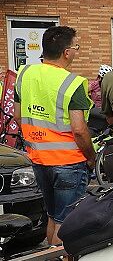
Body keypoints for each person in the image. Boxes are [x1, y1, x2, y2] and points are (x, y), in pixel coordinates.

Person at [13, 26, 95, 245]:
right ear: (66, 52)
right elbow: (78, 129)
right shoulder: (72, 83)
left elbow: (18, 116)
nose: (77, 52)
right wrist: (91, 156)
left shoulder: (25, 74)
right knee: (66, 222)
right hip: (68, 163)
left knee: (53, 216)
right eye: (76, 47)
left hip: (38, 160)